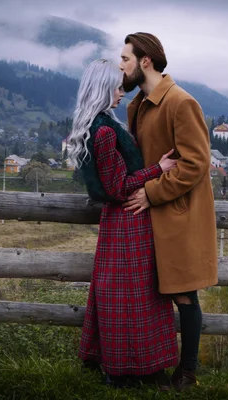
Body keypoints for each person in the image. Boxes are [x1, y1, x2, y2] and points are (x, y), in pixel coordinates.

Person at [66, 59, 179, 388]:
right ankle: (127, 371)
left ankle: (127, 368)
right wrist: (158, 168)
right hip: (126, 219)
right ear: (102, 89)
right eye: (116, 87)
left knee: (123, 297)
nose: (121, 92)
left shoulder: (99, 124)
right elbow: (117, 187)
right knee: (133, 299)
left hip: (120, 222)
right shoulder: (103, 131)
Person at [120, 33, 219, 391]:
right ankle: (150, 368)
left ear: (145, 61)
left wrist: (151, 192)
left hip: (176, 215)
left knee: (182, 293)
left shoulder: (180, 102)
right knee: (148, 293)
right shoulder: (137, 105)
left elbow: (195, 164)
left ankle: (187, 372)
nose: (122, 66)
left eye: (126, 59)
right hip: (145, 215)